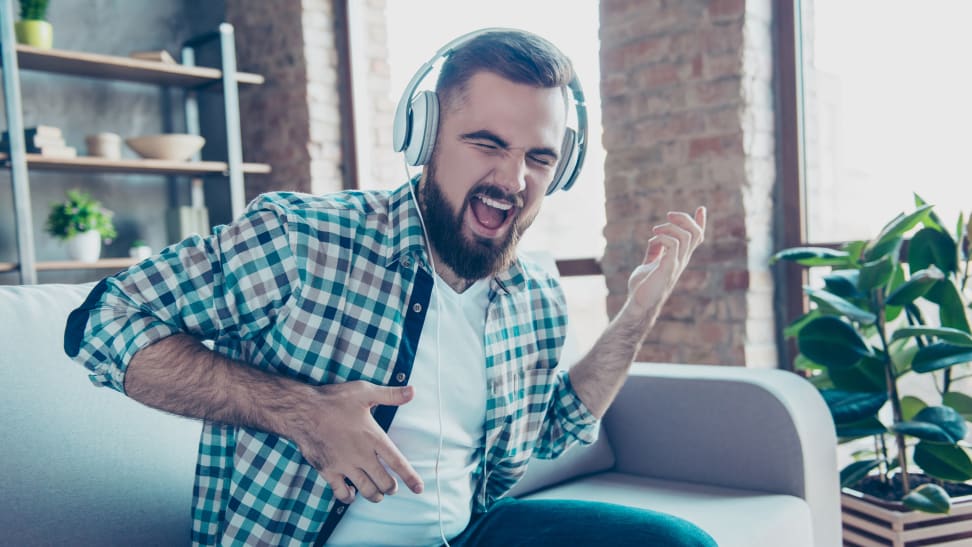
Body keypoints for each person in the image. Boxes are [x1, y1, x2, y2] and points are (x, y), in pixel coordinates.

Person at [65, 28, 711, 546]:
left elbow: (556, 430)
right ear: (423, 135)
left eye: (538, 157)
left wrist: (637, 314)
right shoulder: (305, 240)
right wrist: (302, 413)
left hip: (469, 533)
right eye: (487, 143)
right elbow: (102, 322)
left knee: (681, 543)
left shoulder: (533, 295)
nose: (514, 179)